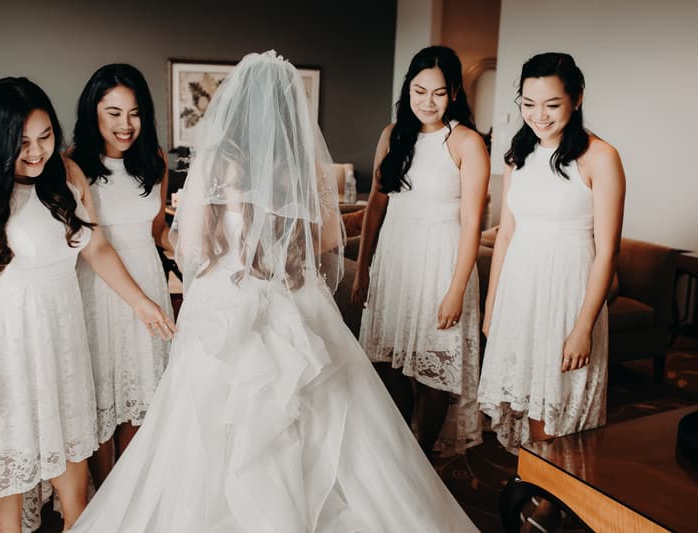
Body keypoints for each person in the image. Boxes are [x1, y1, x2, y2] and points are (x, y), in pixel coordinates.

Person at [70, 50, 478, 532]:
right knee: (314, 417)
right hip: (290, 293)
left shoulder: (219, 158)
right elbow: (328, 238)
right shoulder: (299, 162)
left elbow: (192, 243)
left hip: (224, 298)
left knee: (204, 419)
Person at [0, 77, 174, 532]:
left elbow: (97, 249)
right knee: (10, 453)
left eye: (45, 137)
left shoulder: (66, 174)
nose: (37, 151)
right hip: (4, 345)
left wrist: (140, 302)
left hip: (63, 337)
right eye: (21, 142)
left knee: (72, 455)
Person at [478, 52, 625, 452]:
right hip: (520, 288)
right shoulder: (517, 156)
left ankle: (550, 498)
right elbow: (506, 233)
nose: (538, 115)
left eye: (552, 104)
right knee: (526, 397)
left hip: (569, 290)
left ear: (576, 99)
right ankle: (537, 490)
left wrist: (582, 327)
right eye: (528, 104)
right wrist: (492, 305)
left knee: (559, 404)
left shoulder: (601, 157)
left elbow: (607, 250)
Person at [352, 46, 489, 457]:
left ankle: (423, 451)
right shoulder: (393, 134)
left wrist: (456, 289)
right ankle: (401, 443)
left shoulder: (467, 142)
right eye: (418, 90)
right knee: (386, 359)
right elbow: (376, 205)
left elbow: (472, 224)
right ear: (407, 89)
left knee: (434, 368)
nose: (427, 102)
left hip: (441, 262)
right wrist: (363, 270)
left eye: (438, 93)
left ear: (454, 94)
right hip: (396, 260)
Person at [71, 63, 175, 486]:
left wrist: (197, 250)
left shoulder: (155, 161)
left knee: (141, 396)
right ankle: (102, 499)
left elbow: (156, 231)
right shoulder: (72, 166)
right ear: (93, 112)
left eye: (134, 113)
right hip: (98, 289)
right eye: (113, 112)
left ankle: (127, 495)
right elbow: (89, 244)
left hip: (148, 280)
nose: (125, 124)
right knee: (100, 400)